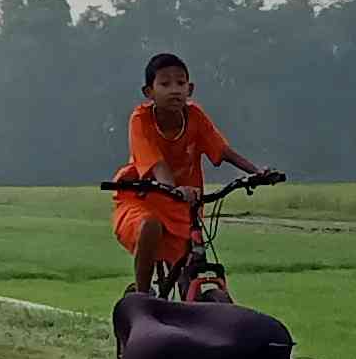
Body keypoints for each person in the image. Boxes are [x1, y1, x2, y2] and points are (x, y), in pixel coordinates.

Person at [114, 52, 268, 293]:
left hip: (185, 201)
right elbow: (156, 164)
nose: (175, 89)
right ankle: (143, 297)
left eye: (181, 83)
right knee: (150, 226)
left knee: (190, 256)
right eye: (165, 84)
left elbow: (222, 150)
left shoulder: (194, 115)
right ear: (149, 92)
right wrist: (175, 189)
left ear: (190, 88)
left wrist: (257, 172)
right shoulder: (141, 119)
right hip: (144, 196)